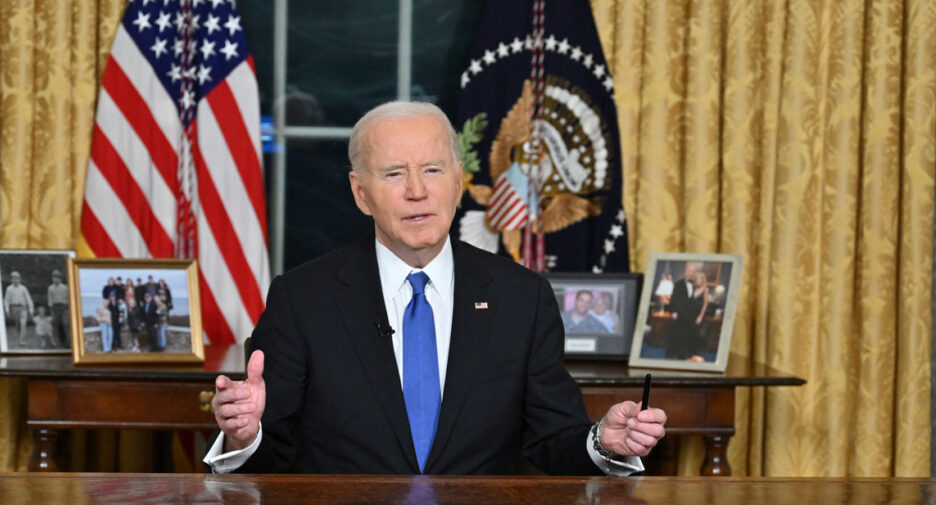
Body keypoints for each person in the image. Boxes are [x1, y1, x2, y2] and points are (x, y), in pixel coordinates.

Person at [205, 101, 666, 475]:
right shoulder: (302, 299)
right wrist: (245, 436)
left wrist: (603, 441)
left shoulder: (521, 298)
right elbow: (270, 462)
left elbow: (552, 441)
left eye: (432, 169)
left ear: (458, 181)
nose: (416, 191)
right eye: (393, 174)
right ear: (360, 193)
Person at [665, 262, 703, 359]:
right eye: (689, 271)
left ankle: (686, 354)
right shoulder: (679, 284)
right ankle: (671, 354)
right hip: (680, 315)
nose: (691, 273)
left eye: (693, 271)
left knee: (689, 337)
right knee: (677, 336)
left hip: (691, 316)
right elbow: (673, 299)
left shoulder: (697, 284)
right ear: (685, 271)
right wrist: (673, 312)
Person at [3, 271, 34, 347]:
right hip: (14, 308)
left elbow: (28, 299)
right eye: (13, 278)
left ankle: (22, 341)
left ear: (19, 279)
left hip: (23, 308)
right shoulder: (9, 289)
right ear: (11, 280)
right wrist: (7, 309)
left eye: (17, 278)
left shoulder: (23, 288)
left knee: (23, 323)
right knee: (18, 325)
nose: (15, 280)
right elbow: (7, 300)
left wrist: (31, 309)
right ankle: (21, 338)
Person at [47, 270, 71, 347]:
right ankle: (62, 341)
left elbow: (69, 298)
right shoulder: (50, 288)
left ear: (60, 279)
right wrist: (51, 309)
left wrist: (68, 308)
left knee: (66, 324)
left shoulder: (65, 288)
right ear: (52, 279)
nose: (55, 279)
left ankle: (69, 341)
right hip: (55, 307)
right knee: (58, 325)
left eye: (57, 278)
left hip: (64, 307)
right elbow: (50, 299)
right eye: (54, 278)